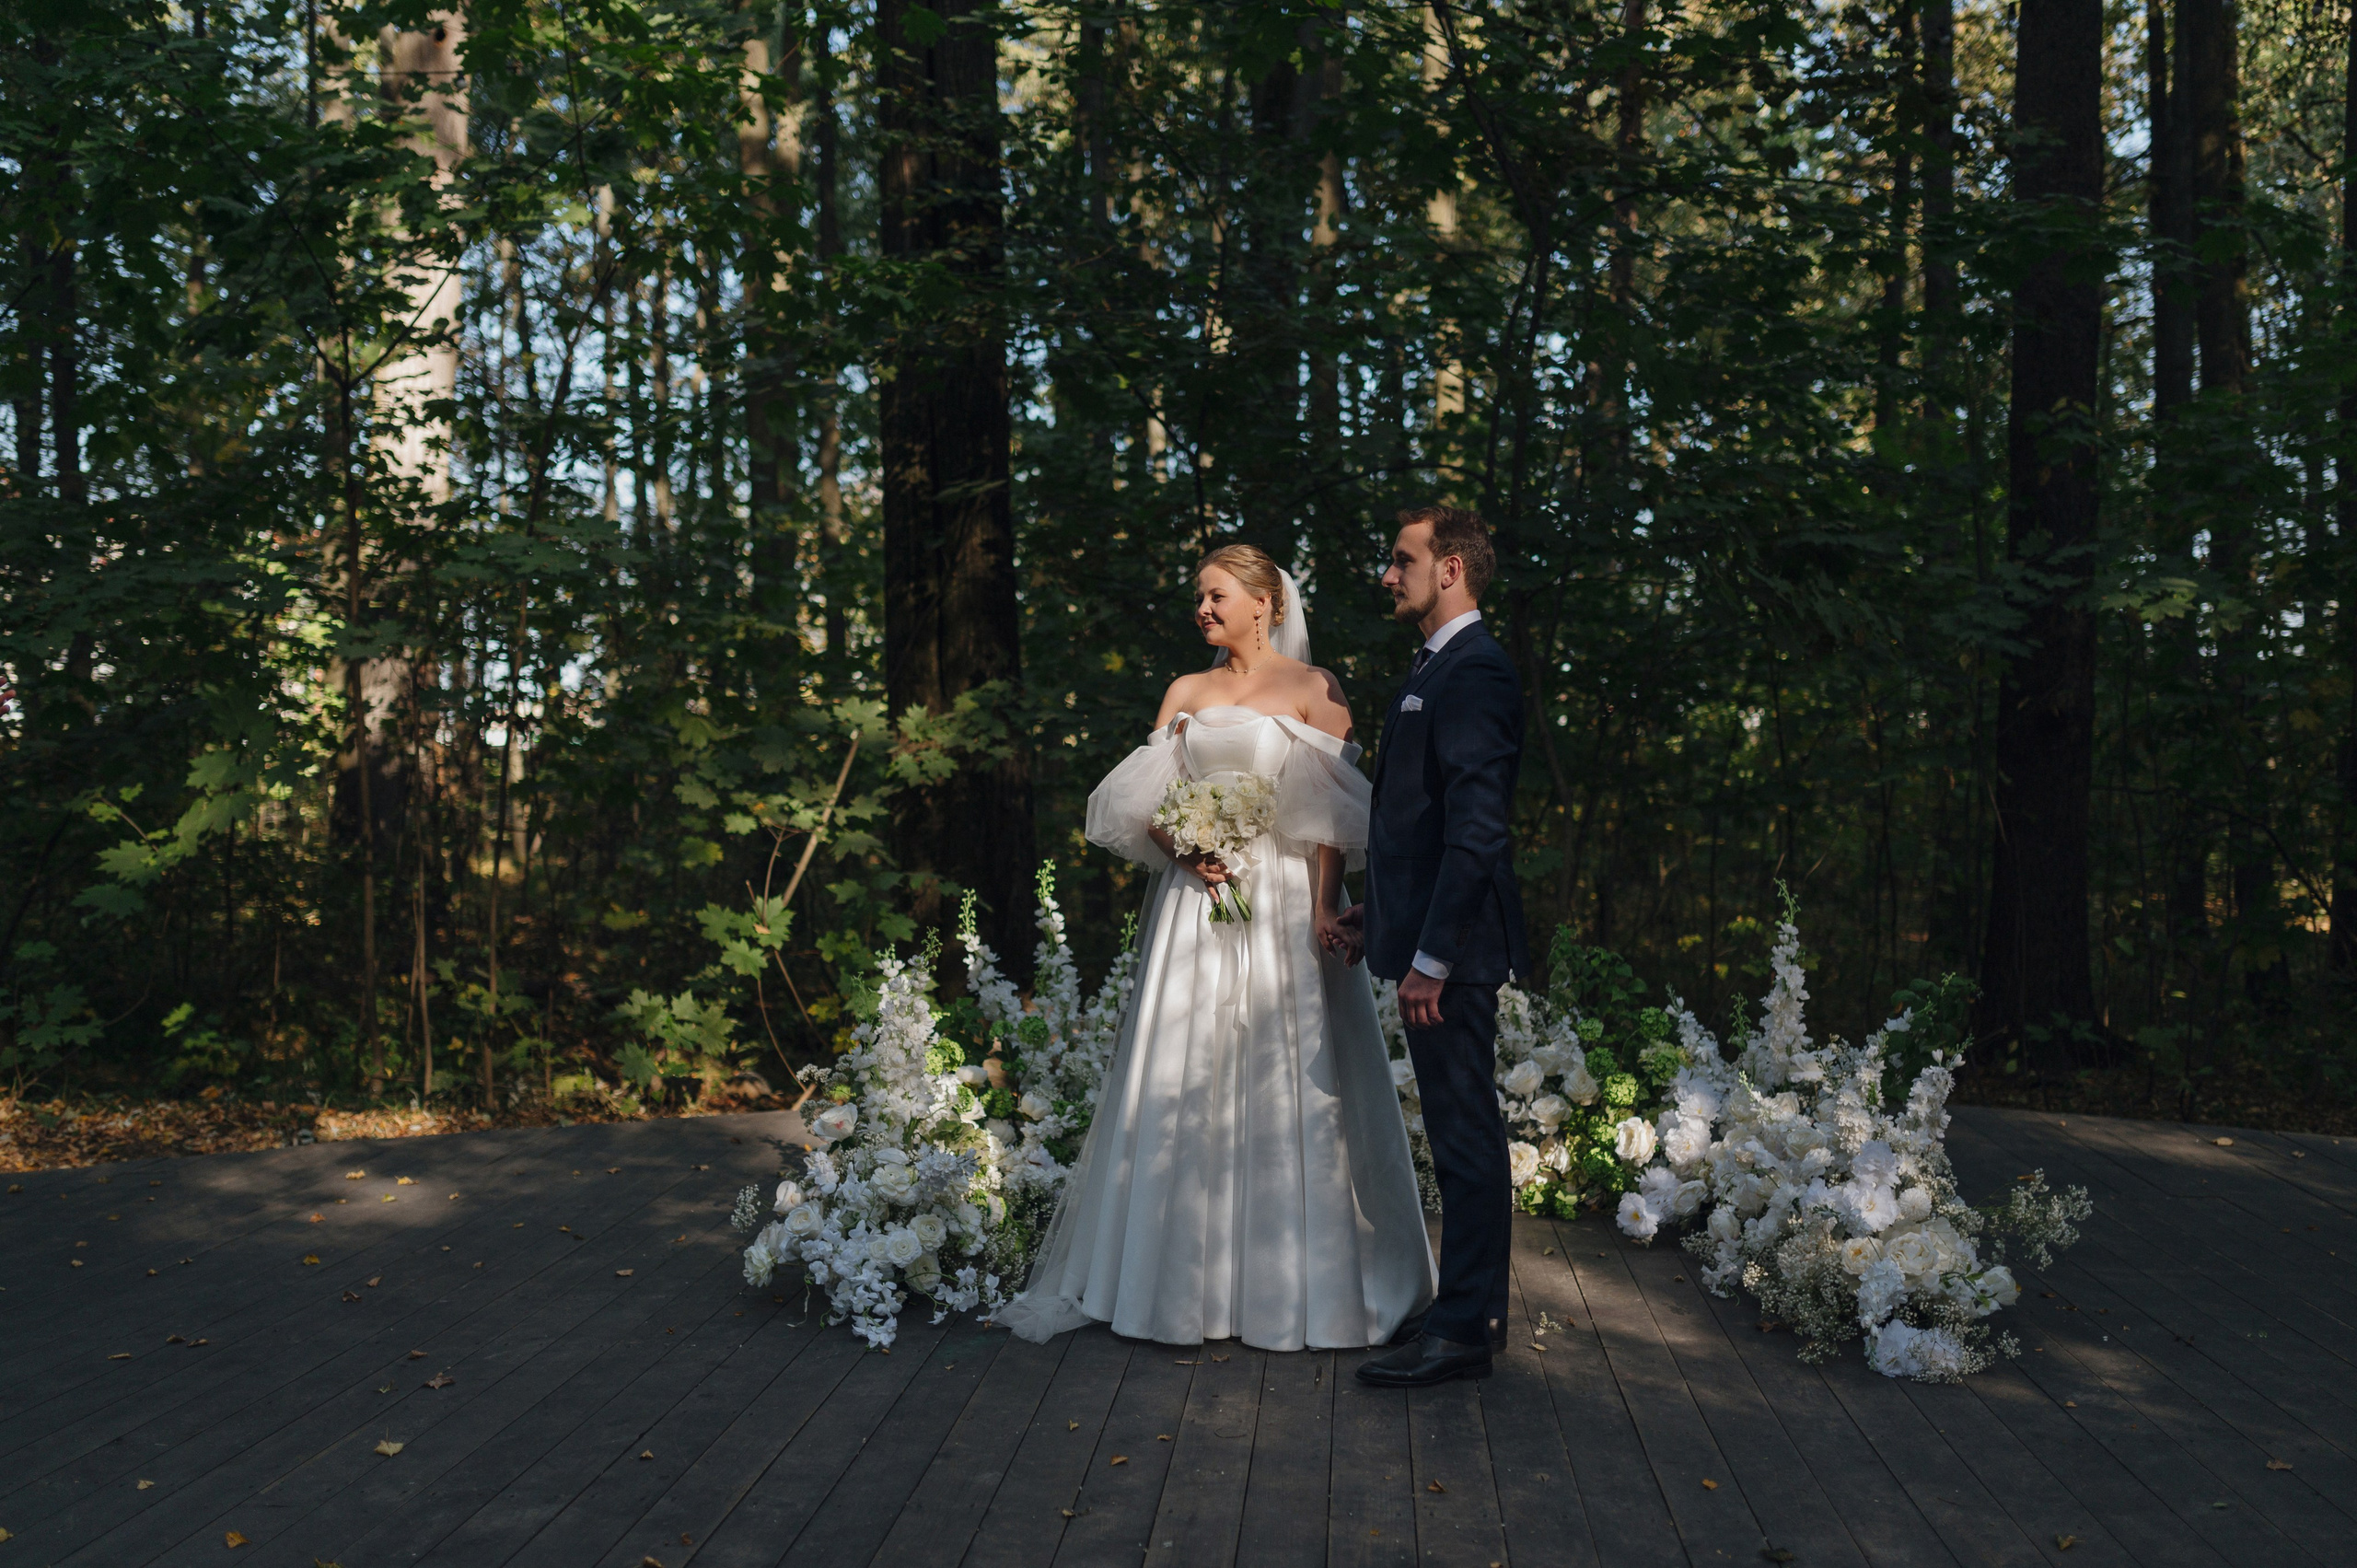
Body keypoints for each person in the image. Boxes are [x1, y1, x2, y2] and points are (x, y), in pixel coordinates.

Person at [992, 544, 1435, 1351]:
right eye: (1198, 596)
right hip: (1196, 903)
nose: (1201, 608)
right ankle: (1170, 1288)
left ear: (1264, 602)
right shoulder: (1186, 692)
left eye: (1216, 594)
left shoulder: (1315, 690)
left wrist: (1325, 906)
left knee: (1283, 1072)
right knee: (1182, 1069)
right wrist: (1185, 847)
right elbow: (1145, 802)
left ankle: (1295, 1288)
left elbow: (1331, 815)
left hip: (1279, 905)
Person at [1341, 505, 1531, 1387]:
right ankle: (1464, 1309)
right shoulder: (1434, 666)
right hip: (1423, 938)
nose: (1389, 574)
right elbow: (1412, 821)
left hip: (1452, 955)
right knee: (1458, 1133)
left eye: (1401, 558)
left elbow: (1477, 832)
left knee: (1463, 1135)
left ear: (1449, 568)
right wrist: (1373, 921)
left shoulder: (1477, 671)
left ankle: (1465, 1330)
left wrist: (1434, 959)